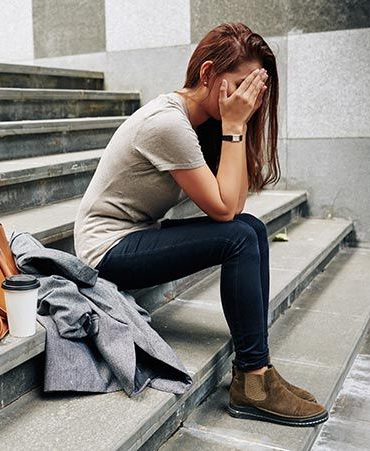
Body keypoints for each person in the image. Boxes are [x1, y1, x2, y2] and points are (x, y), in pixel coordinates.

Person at [73, 22, 328, 427]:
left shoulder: (199, 123)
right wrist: (234, 127)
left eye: (255, 89)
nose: (248, 98)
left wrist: (234, 127)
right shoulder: (167, 124)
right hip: (106, 250)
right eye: (241, 84)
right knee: (240, 236)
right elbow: (225, 212)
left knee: (253, 230)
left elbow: (234, 204)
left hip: (140, 234)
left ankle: (255, 372)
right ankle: (254, 378)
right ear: (208, 73)